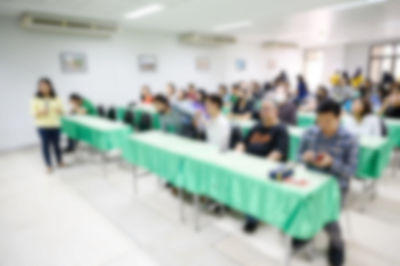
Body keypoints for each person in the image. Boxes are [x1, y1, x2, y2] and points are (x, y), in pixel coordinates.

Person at [297, 99, 358, 266]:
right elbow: (297, 155)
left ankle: (337, 244)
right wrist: (304, 157)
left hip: (335, 185)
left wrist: (332, 163)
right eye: (320, 120)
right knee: (298, 204)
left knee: (328, 217)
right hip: (311, 181)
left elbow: (351, 171)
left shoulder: (349, 138)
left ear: (339, 117)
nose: (323, 125)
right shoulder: (310, 132)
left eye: (328, 120)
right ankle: (306, 233)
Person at [235, 99, 289, 233]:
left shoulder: (281, 129)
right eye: (262, 109)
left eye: (268, 109)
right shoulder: (256, 126)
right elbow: (244, 142)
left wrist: (261, 166)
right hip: (248, 163)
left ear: (276, 111)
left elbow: (278, 153)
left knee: (254, 183)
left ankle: (252, 218)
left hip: (267, 168)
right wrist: (239, 150)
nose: (264, 112)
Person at [30, 78, 65, 173]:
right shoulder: (36, 99)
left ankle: (60, 161)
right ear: (39, 88)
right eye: (41, 86)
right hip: (43, 127)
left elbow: (63, 111)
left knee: (57, 145)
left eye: (46, 85)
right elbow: (32, 113)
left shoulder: (56, 98)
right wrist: (40, 112)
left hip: (56, 125)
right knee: (45, 146)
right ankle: (48, 165)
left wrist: (60, 111)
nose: (43, 88)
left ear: (50, 86)